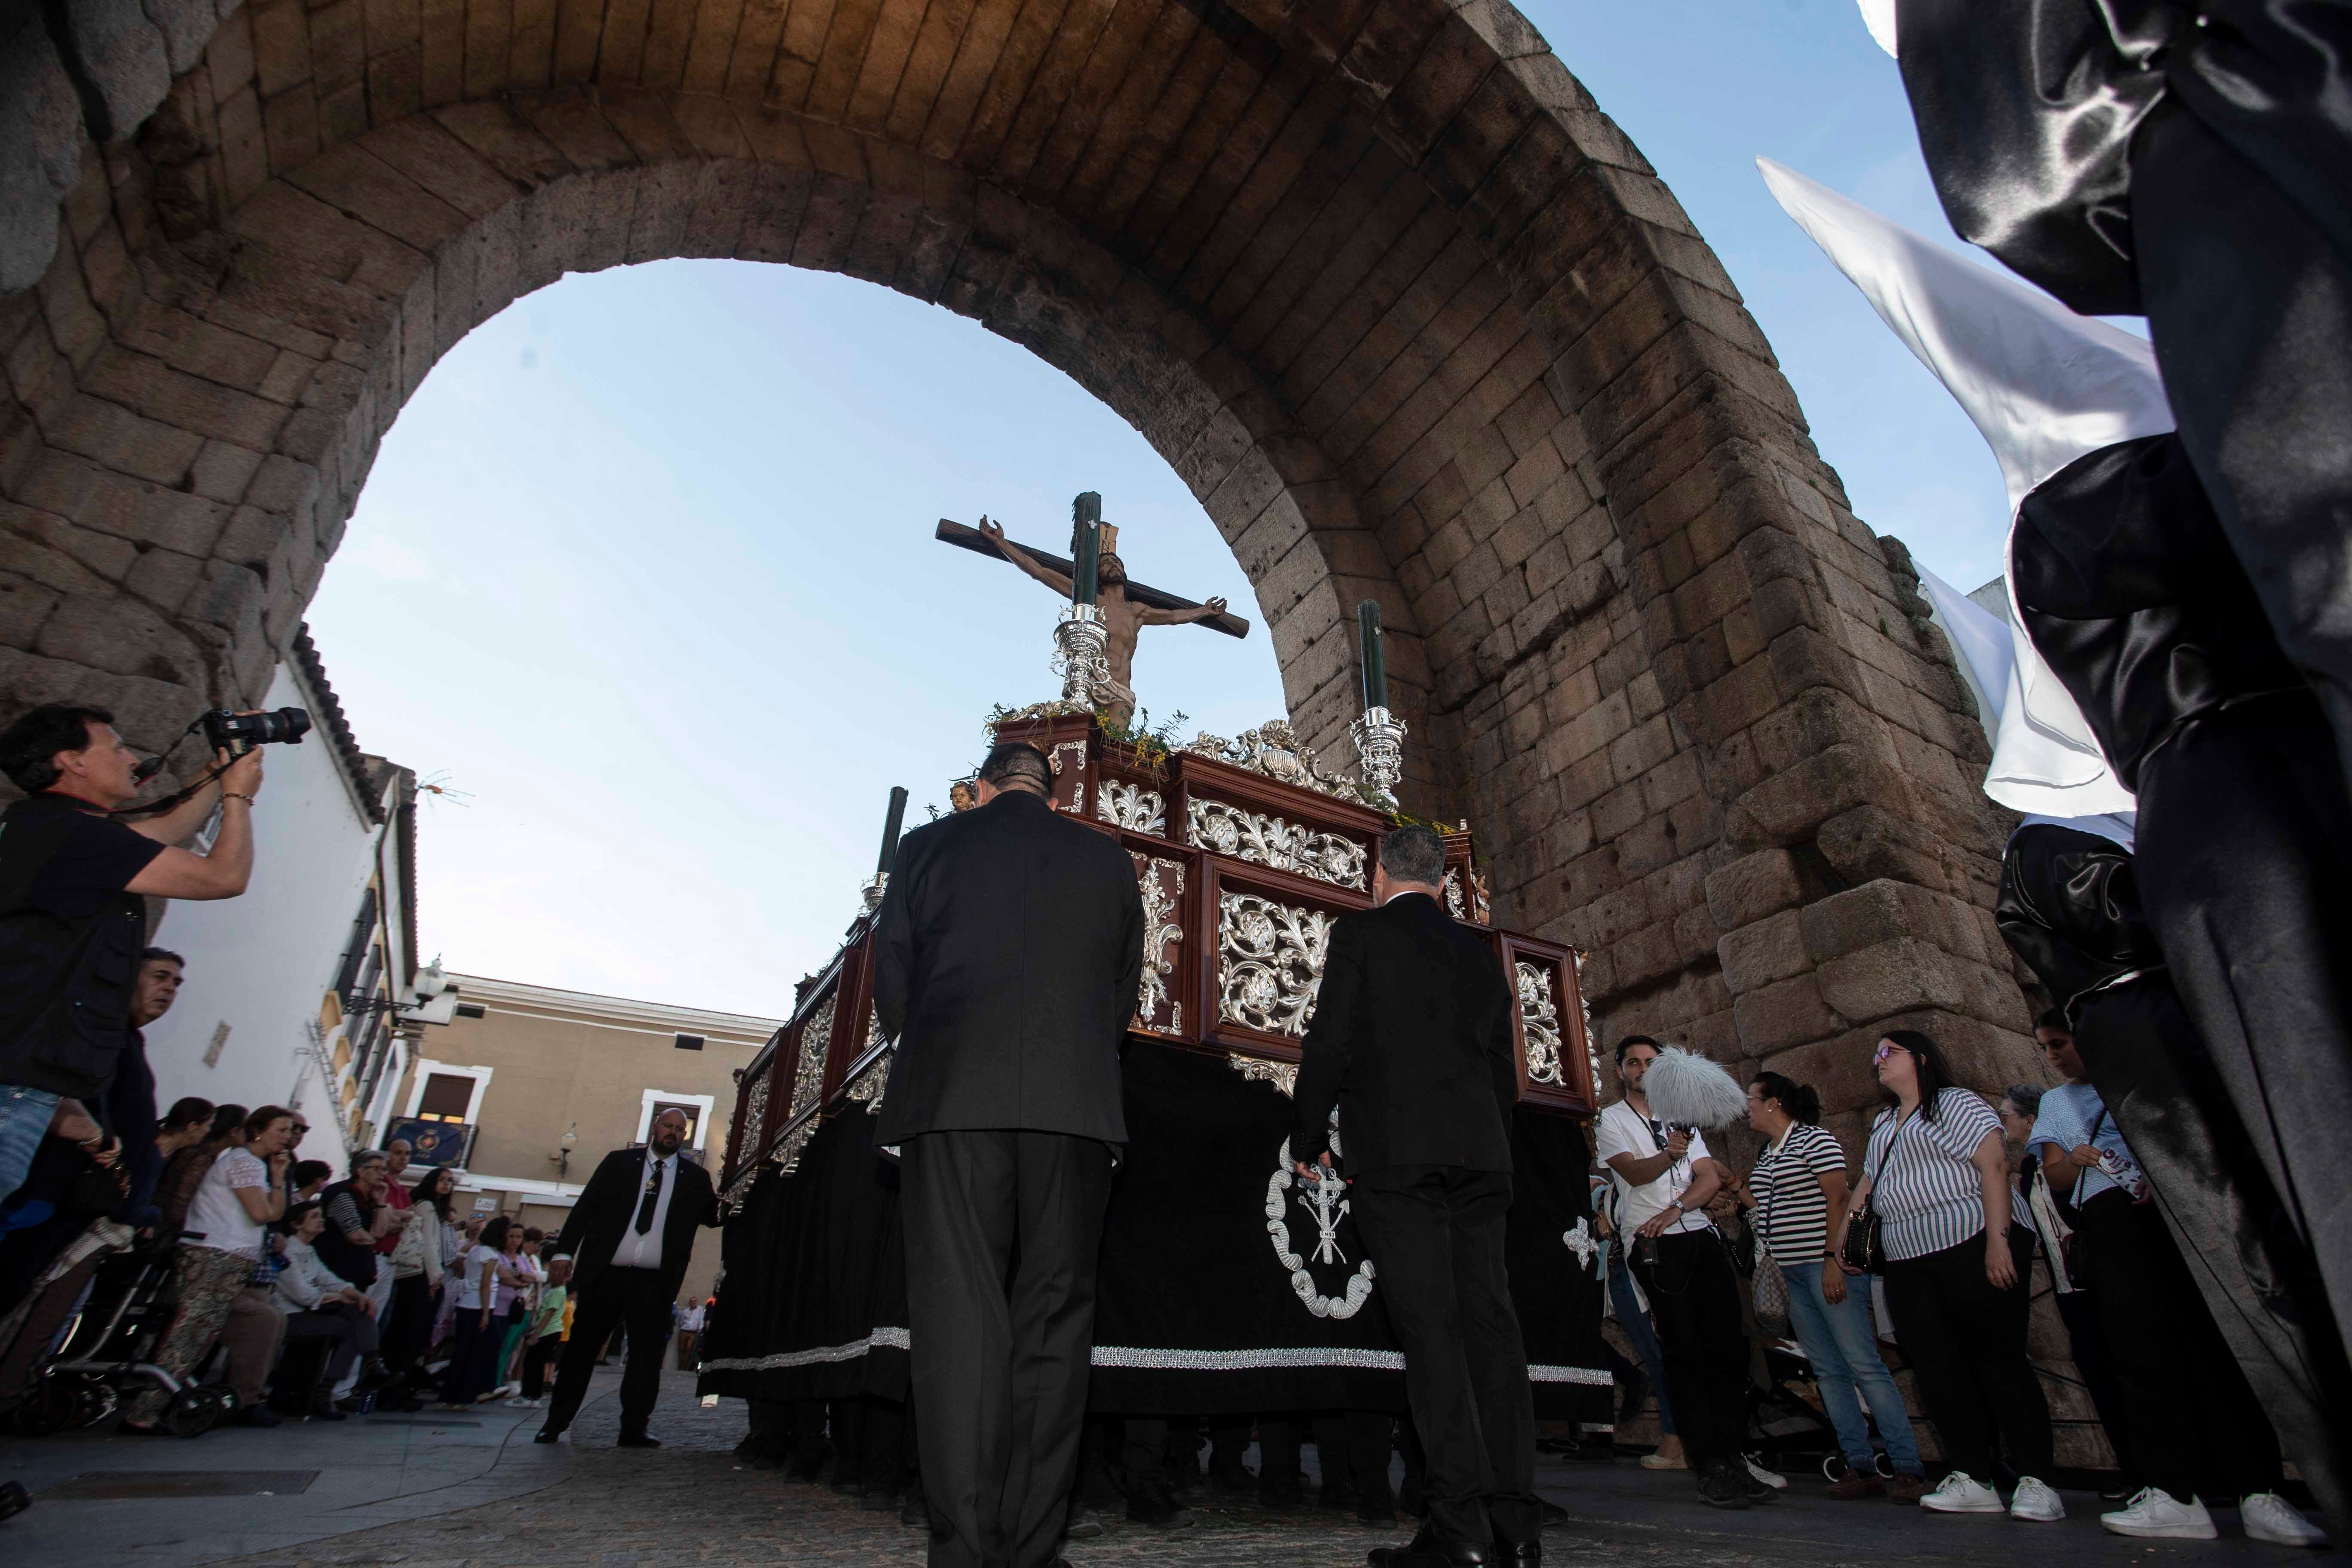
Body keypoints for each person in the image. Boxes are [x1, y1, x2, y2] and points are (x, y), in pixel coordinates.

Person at [869, 738, 1144, 1568]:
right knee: (1055, 1322)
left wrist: (927, 1053)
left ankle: (962, 1543)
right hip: (1074, 1105)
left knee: (959, 1319)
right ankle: (1031, 1544)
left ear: (982, 787)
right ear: (1052, 795)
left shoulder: (926, 845)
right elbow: (1124, 986)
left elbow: (893, 976)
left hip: (953, 1096)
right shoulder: (1107, 859)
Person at [1289, 822, 1540, 1568]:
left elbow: (1329, 1039)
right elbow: (1504, 1068)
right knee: (1492, 1331)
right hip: (1481, 1159)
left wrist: (1308, 1137)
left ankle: (1458, 1526)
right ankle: (1517, 1524)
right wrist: (1491, 1145)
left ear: (1377, 874)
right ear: (1441, 881)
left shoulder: (1360, 935)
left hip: (1400, 1158)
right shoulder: (1480, 950)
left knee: (1431, 1336)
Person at [2030, 1029, 2325, 1545]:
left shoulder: (2142, 1075)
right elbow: (2054, 1177)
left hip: (2176, 1206)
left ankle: (2259, 1492)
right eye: (2045, 1047)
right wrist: (2073, 1159)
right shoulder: (2057, 1101)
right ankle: (2173, 1492)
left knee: (2214, 1346)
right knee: (2140, 1354)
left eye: (2060, 1042)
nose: (2053, 1055)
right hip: (2109, 1216)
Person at [0, 703, 265, 1205]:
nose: (129, 757)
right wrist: (237, 796)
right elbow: (224, 877)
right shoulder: (75, 836)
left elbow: (162, 833)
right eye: (115, 747)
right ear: (73, 762)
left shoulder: (48, 828)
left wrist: (214, 774)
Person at [1850, 1030, 2057, 1521]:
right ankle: (1972, 1476)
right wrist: (1844, 1239)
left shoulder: (1956, 1104)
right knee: (1937, 1369)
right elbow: (1868, 1183)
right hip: (1907, 1259)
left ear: (1921, 1060)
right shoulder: (1884, 1123)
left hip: (1970, 1239)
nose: (1878, 1059)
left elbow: (1993, 1166)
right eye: (1876, 1054)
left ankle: (2037, 1480)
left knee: (1998, 1361)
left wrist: (1998, 1242)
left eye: (1889, 1052)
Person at [1596, 1037, 1762, 1509]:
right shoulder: (1611, 1120)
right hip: (1653, 1246)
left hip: (1696, 1236)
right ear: (1622, 1071)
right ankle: (1707, 1463)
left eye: (1652, 1061)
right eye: (1634, 1063)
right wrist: (1670, 1157)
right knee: (1685, 1352)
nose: (1643, 1069)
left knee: (1728, 1350)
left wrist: (1678, 1208)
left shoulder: (1680, 1116)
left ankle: (1734, 1457)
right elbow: (1634, 1173)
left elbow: (1709, 1176)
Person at [1742, 1072, 1924, 1501]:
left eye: (1752, 1098)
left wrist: (1833, 1262)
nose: (1746, 1106)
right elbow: (1771, 1210)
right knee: (1826, 1371)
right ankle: (1858, 1464)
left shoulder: (1815, 1141)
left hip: (1823, 1267)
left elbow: (1839, 1199)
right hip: (1790, 1274)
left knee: (1864, 1365)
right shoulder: (1766, 1155)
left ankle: (1908, 1467)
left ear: (1773, 1103)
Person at [536, 1109, 718, 1446]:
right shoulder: (618, 1163)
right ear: (656, 1127)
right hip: (606, 1274)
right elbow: (585, 1207)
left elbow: (714, 1216)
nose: (673, 1133)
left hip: (655, 1282)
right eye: (668, 1126)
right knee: (581, 1350)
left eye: (681, 1129)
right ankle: (556, 1422)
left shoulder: (695, 1178)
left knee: (647, 1357)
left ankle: (634, 1427)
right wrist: (563, 1253)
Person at [1997, 1075, 2136, 1498]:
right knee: (2098, 1371)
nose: (2004, 1126)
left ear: (2031, 1120)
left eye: (2008, 1118)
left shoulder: (2062, 1164)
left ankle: (2157, 1472)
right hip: (2069, 1285)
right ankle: (2135, 1472)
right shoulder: (2028, 1167)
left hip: (2100, 1278)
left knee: (2127, 1370)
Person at [120, 1104, 294, 1433]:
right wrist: (271, 1193)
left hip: (229, 1260)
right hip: (214, 1257)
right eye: (282, 1130)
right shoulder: (242, 1161)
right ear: (258, 1130)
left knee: (202, 1334)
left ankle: (158, 1406)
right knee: (189, 1334)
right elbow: (262, 1214)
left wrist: (279, 1178)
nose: (288, 1138)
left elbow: (276, 1212)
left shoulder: (254, 1165)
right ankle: (142, 1414)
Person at [975, 517, 1229, 729]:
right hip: (1090, 681)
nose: (1113, 565)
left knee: (1114, 743)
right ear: (1099, 575)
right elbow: (1040, 572)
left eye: (1117, 563)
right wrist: (1000, 542)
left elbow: (1174, 617)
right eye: (1106, 563)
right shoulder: (1091, 602)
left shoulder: (1137, 612)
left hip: (1121, 689)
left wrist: (1203, 611)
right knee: (1083, 739)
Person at [1587, 1166, 1679, 1470]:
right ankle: (1675, 1435)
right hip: (1623, 1273)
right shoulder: (1614, 1191)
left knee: (1661, 1355)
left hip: (1639, 1272)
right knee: (1654, 1356)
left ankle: (1676, 1437)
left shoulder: (1638, 1185)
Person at [273, 1199, 380, 1420]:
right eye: (314, 1216)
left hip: (308, 1312)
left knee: (359, 1312)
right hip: (287, 1317)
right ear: (296, 1224)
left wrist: (356, 1295)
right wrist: (340, 1298)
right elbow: (302, 1295)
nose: (321, 1220)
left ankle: (370, 1365)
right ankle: (326, 1391)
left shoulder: (309, 1250)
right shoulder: (287, 1250)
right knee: (351, 1328)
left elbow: (328, 1279)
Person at [316, 1149, 399, 1407]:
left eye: (383, 1170)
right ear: (360, 1170)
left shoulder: (369, 1199)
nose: (382, 1174)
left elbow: (379, 1231)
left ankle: (333, 1388)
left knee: (357, 1326)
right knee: (352, 1326)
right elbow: (357, 1235)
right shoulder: (343, 1194)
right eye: (376, 1169)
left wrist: (382, 1202)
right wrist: (371, 1235)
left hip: (356, 1275)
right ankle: (368, 1367)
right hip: (336, 1272)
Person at [440, 1215, 516, 1409]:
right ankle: (483, 1388)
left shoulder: (475, 1250)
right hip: (480, 1307)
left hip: (467, 1304)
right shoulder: (490, 1255)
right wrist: (484, 1314)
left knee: (465, 1351)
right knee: (488, 1347)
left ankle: (456, 1396)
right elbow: (486, 1284)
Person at [516, 1255, 572, 1408]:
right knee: (537, 1364)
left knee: (531, 1364)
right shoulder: (558, 1290)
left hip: (546, 1332)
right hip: (550, 1332)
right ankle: (534, 1397)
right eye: (553, 1269)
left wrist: (535, 1335)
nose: (553, 1273)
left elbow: (548, 1315)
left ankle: (528, 1395)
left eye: (559, 1270)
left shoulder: (557, 1292)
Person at [675, 1296, 704, 1369]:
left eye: (695, 1301)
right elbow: (681, 1322)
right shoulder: (686, 1311)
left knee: (689, 1349)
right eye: (692, 1301)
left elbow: (701, 1319)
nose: (694, 1303)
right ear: (690, 1303)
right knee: (681, 1349)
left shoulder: (700, 1309)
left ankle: (685, 1367)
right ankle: (681, 1366)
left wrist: (700, 1329)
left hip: (693, 1333)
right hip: (684, 1331)